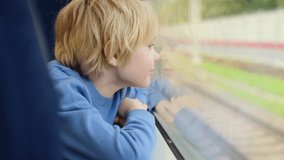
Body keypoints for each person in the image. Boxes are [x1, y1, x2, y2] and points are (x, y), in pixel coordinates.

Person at [48, 0, 159, 159]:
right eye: (150, 45)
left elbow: (140, 91)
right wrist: (137, 111)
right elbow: (132, 153)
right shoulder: (62, 90)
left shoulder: (118, 86)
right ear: (114, 54)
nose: (157, 55)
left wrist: (130, 102)